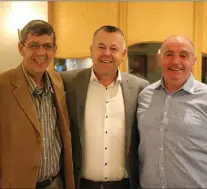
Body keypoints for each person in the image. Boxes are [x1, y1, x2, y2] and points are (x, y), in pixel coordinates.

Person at [60, 25, 148, 189]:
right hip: (81, 184)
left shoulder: (140, 88)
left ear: (123, 54)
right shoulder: (67, 83)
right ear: (91, 50)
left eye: (114, 48)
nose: (107, 53)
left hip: (125, 185)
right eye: (101, 47)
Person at [137, 35, 207, 188]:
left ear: (193, 61)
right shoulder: (144, 96)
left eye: (183, 55)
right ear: (160, 59)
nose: (175, 61)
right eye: (169, 54)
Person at [0, 20, 75, 189]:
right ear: (21, 48)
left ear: (54, 50)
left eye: (47, 46)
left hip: (56, 183)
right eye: (33, 45)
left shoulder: (58, 82)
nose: (41, 52)